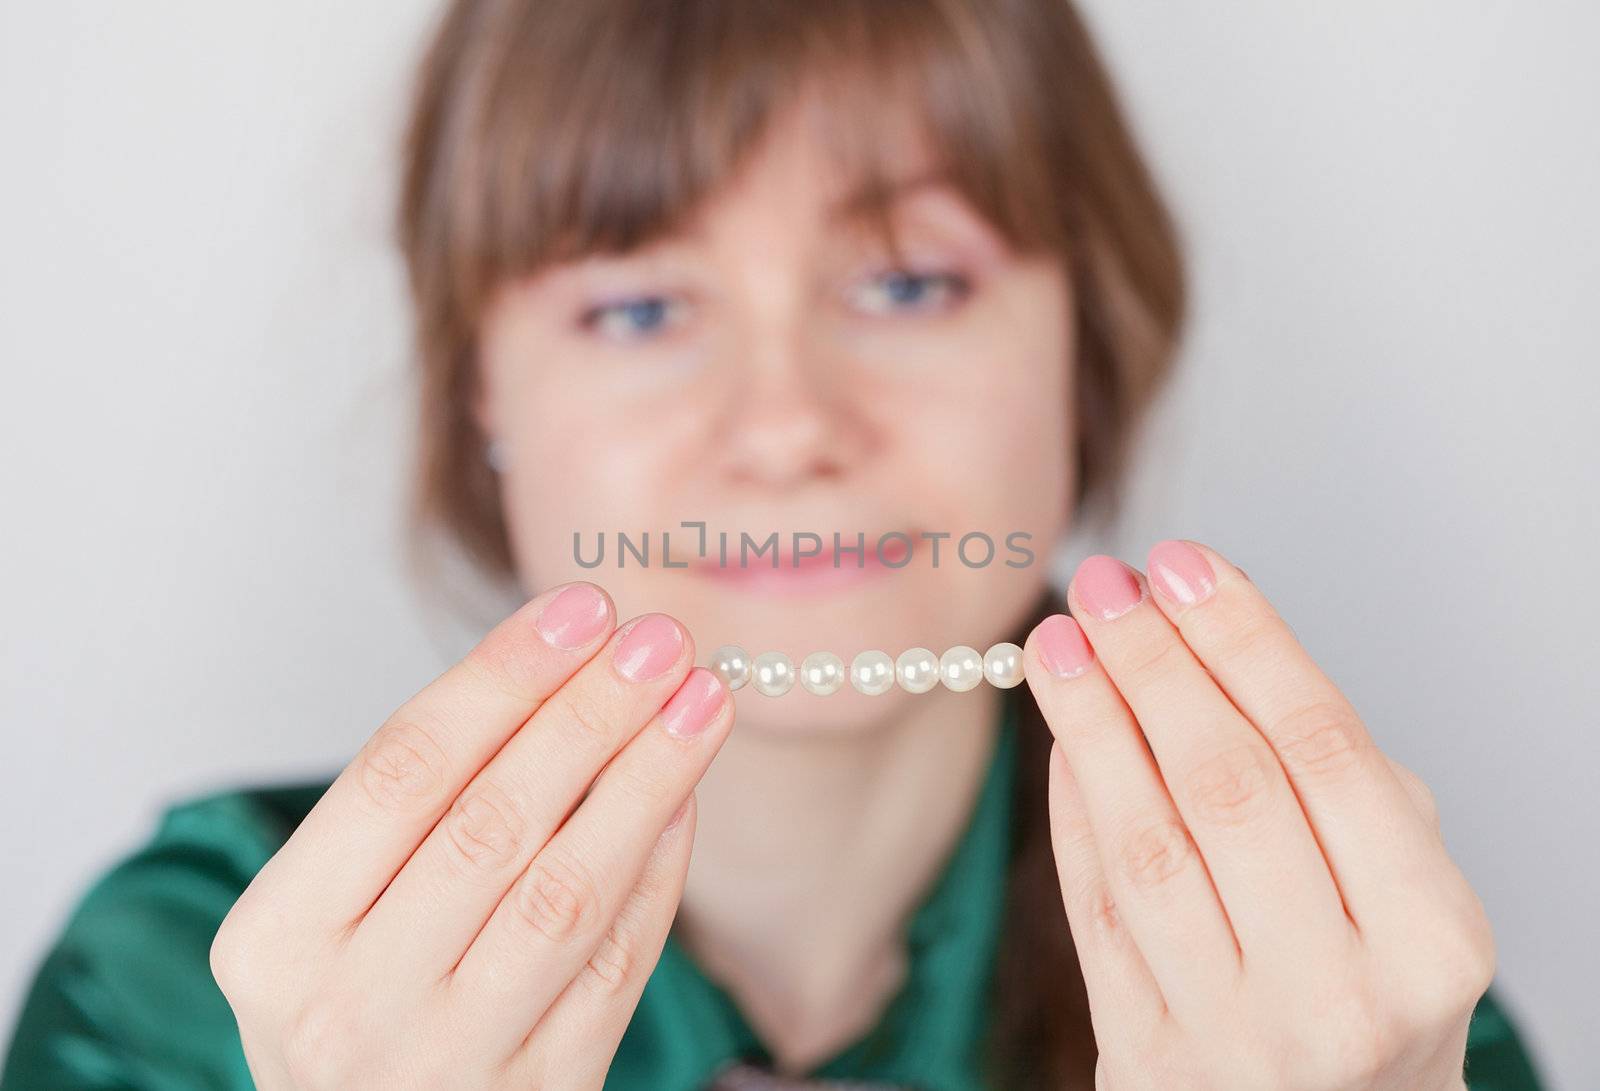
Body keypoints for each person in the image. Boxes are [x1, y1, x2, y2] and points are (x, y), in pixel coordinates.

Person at [1, 2, 1546, 1088]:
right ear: (485, 395)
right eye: (641, 309)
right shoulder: (184, 994)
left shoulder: (1364, 1005)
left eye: (907, 286)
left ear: (1085, 348)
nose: (787, 422)